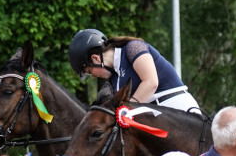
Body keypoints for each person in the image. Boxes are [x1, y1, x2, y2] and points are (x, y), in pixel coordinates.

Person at [68, 29, 201, 113]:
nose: (93, 76)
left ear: (95, 58)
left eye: (90, 72)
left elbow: (151, 82)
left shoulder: (133, 48)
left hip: (179, 109)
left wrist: (127, 110)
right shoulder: (114, 80)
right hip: (157, 116)